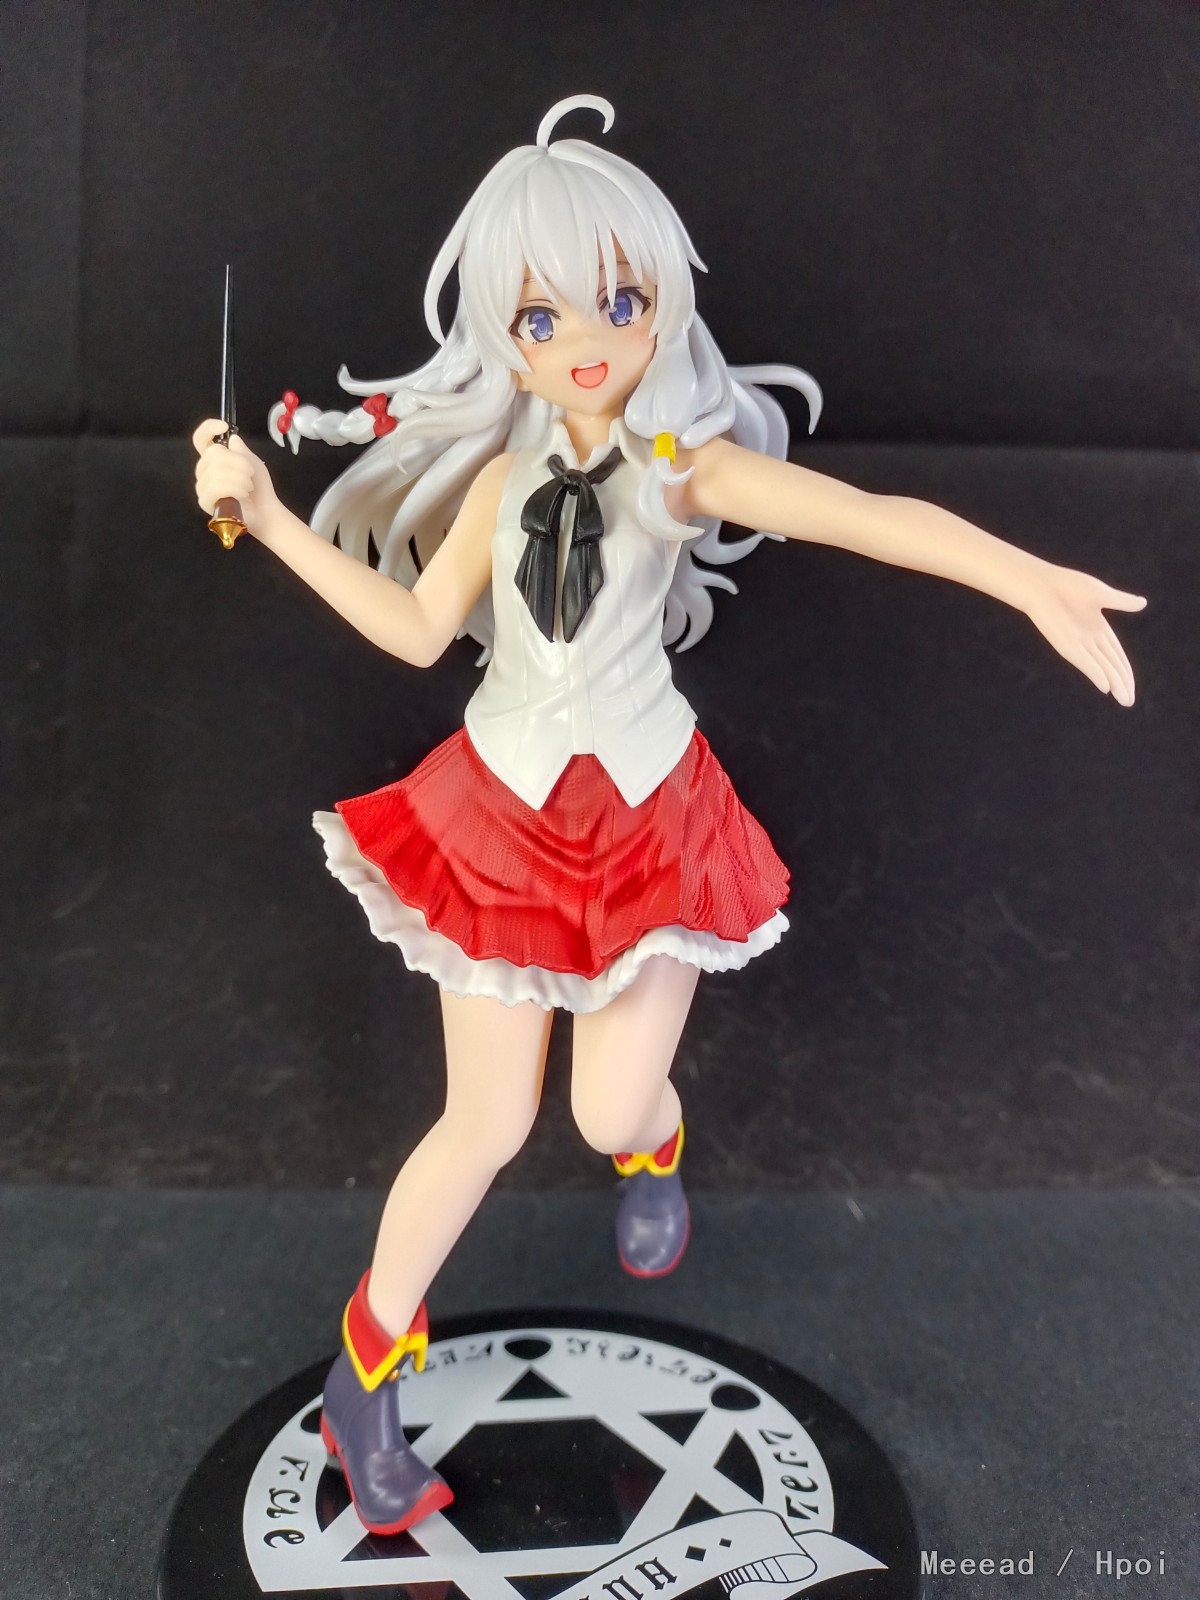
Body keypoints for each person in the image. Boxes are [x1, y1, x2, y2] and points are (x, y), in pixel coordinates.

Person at [192, 93, 1145, 1536]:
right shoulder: (499, 480)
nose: (584, 339)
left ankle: (652, 1148)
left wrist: (1027, 578)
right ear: (506, 336)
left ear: (659, 309)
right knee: (486, 1120)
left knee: (609, 1105)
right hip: (501, 814)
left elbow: (867, 513)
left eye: (620, 301)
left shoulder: (681, 470)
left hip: (648, 817)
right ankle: (364, 1376)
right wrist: (265, 516)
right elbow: (412, 630)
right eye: (543, 316)